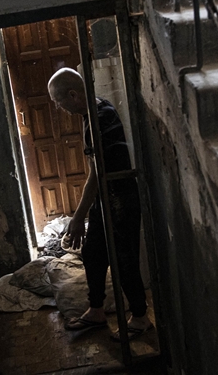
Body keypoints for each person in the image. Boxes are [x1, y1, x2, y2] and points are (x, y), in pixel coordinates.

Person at [48, 67, 152, 341]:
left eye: (59, 101)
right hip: (106, 198)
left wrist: (77, 217)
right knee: (93, 253)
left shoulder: (100, 118)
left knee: (124, 260)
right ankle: (96, 310)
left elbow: (97, 174)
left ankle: (140, 317)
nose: (59, 108)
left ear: (73, 95)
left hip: (120, 199)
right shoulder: (93, 112)